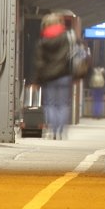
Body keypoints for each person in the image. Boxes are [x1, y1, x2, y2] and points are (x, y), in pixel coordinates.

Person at [33, 12, 74, 140]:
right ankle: (61, 131)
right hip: (64, 75)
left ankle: (53, 130)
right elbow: (72, 58)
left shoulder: (43, 40)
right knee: (63, 104)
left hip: (49, 77)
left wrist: (37, 80)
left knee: (50, 104)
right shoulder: (67, 38)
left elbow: (39, 62)